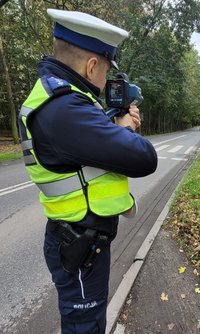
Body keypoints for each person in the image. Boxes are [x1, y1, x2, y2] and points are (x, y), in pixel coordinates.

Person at [18, 8, 157, 334]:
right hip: (80, 246)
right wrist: (124, 129)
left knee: (86, 322)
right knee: (85, 327)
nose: (106, 80)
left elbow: (84, 152)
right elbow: (144, 158)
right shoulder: (65, 108)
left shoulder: (62, 99)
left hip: (81, 240)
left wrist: (116, 126)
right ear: (91, 65)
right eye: (106, 69)